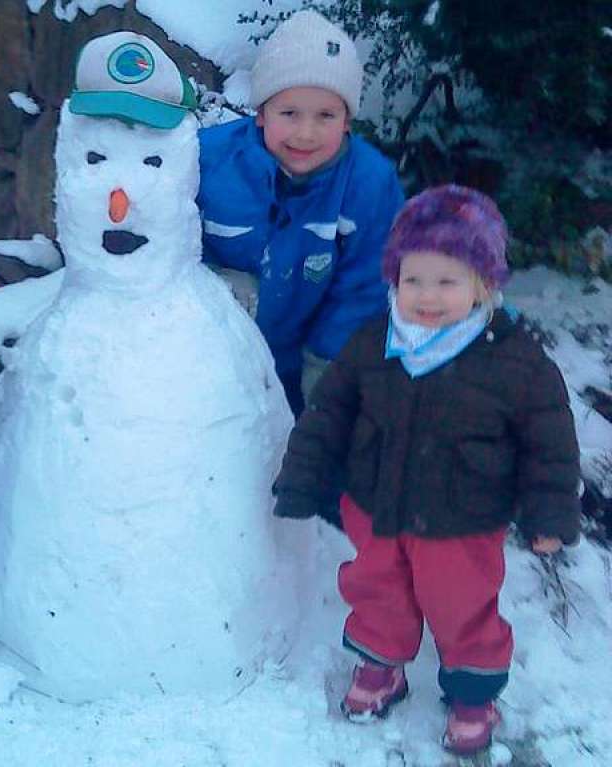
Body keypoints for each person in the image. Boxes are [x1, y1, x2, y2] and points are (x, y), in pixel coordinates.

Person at [272, 185, 581, 756]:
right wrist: (302, 478)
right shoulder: (375, 341)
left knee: (461, 602)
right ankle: (382, 665)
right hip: (375, 505)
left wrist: (551, 511)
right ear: (394, 279)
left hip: (462, 519)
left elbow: (549, 442)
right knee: (376, 588)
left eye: (448, 281)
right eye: (413, 280)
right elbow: (329, 413)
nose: (428, 296)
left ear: (484, 284)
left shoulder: (514, 359)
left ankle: (472, 689)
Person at [197, 9, 405, 417]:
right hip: (213, 358)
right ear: (260, 113)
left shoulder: (370, 184)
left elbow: (365, 288)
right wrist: (212, 291)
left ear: (347, 120)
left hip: (306, 363)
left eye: (326, 115)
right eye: (289, 113)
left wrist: (328, 372)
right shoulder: (205, 161)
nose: (305, 133)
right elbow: (162, 239)